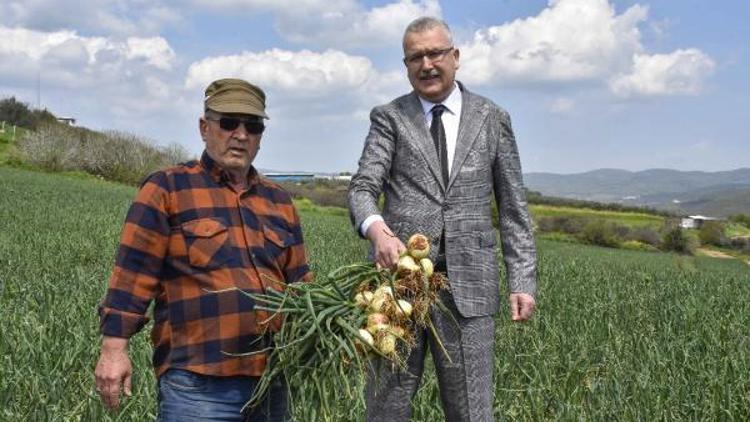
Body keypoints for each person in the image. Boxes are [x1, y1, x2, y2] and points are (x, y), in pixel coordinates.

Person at [348, 17, 537, 421]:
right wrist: (377, 230)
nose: (427, 64)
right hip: (399, 289)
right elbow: (363, 187)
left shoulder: (492, 117)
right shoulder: (390, 117)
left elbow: (513, 206)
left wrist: (522, 279)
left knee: (471, 411)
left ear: (456, 56)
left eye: (435, 53)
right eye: (415, 57)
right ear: (406, 65)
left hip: (470, 289)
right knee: (386, 409)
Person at [94, 78, 310, 421]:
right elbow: (133, 274)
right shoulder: (168, 187)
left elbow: (302, 287)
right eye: (229, 123)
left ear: (260, 137)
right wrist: (113, 350)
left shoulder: (279, 201)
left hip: (272, 381)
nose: (241, 134)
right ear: (204, 127)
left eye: (252, 126)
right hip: (197, 383)